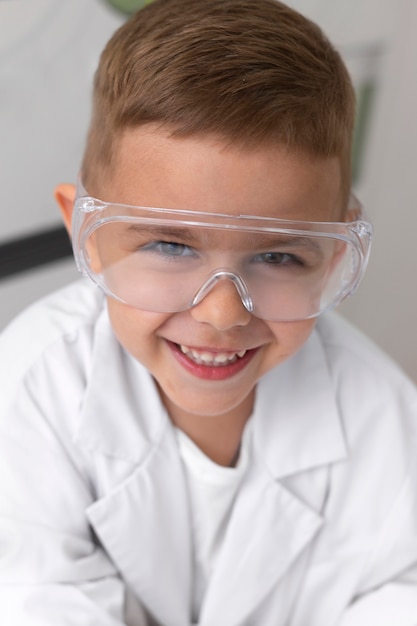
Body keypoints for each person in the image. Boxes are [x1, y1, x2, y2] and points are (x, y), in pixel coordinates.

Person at [1, 0, 416, 624]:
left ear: (333, 255)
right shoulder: (35, 384)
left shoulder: (383, 417)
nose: (222, 313)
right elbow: (34, 595)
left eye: (278, 256)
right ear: (83, 231)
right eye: (170, 246)